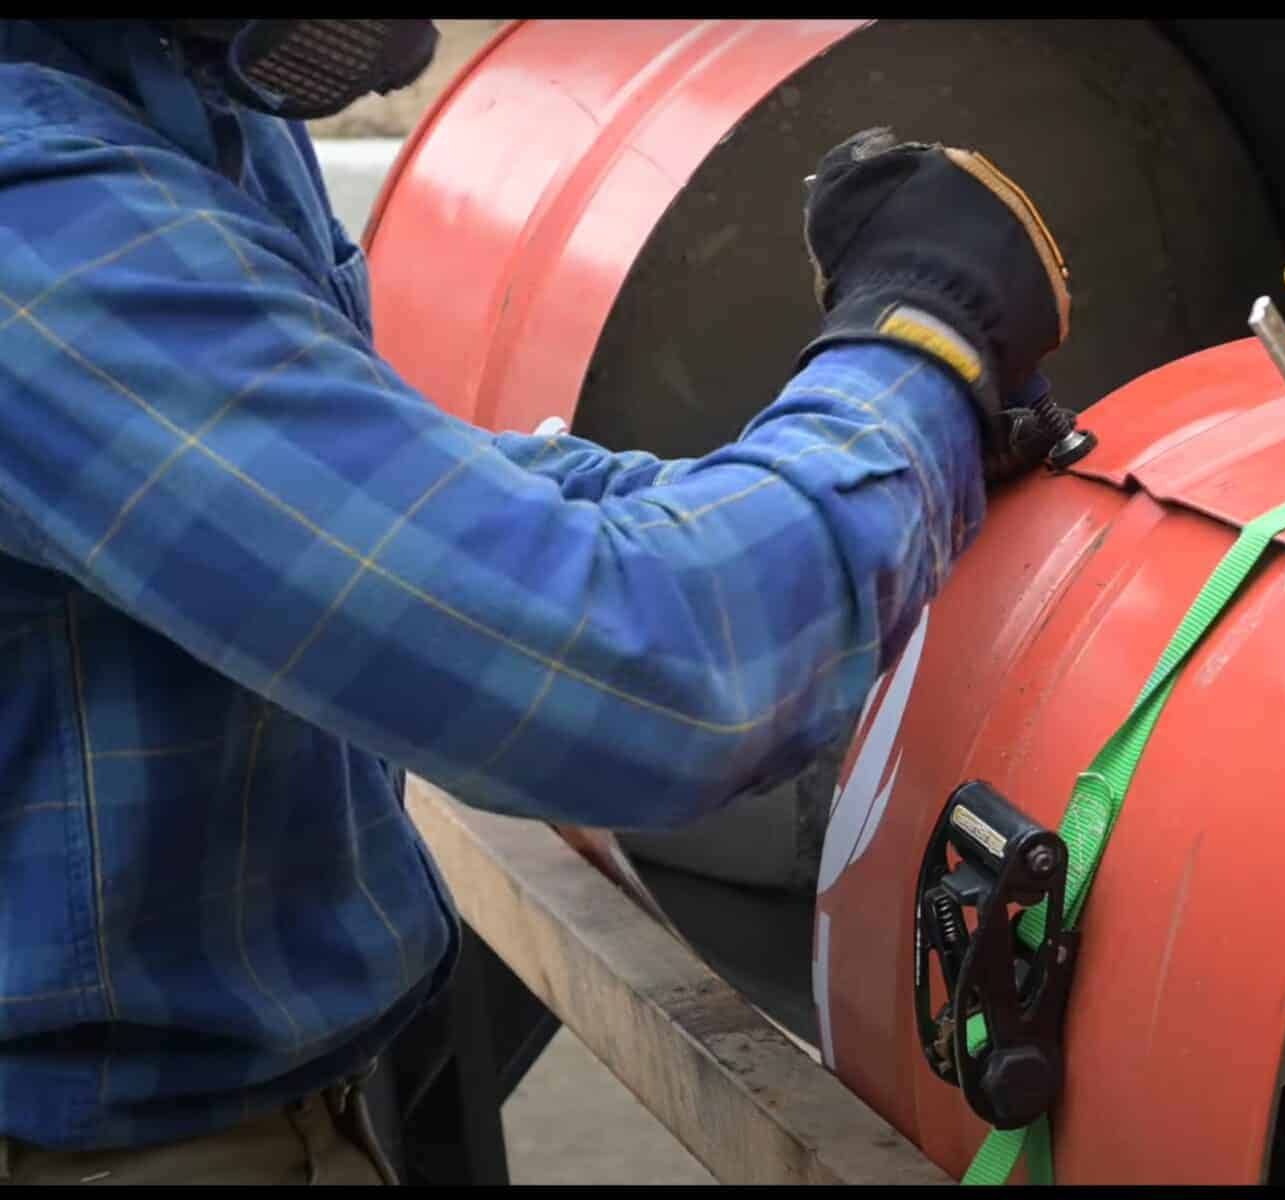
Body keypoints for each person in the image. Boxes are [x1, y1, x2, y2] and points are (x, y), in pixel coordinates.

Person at [0, 19, 1073, 1185]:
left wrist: (839, 473)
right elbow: (645, 684)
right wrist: (919, 344)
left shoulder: (192, 92)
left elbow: (371, 483)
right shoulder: (38, 214)